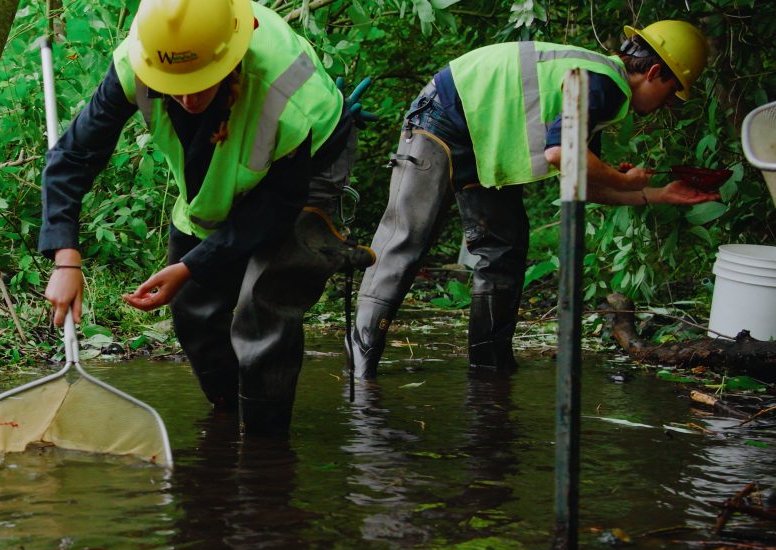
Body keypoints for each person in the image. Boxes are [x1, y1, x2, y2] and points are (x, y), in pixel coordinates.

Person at [39, 0, 373, 437]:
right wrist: (66, 259)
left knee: (264, 303)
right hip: (219, 173)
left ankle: (264, 449)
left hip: (309, 166)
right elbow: (74, 157)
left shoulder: (283, 92)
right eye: (174, 85)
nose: (188, 97)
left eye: (200, 82)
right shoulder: (138, 62)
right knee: (194, 308)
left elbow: (273, 207)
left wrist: (192, 264)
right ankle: (227, 417)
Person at [345, 21, 720, 378]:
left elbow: (582, 183)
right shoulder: (604, 84)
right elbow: (561, 154)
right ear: (654, 72)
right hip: (445, 115)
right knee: (407, 239)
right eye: (672, 92)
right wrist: (624, 177)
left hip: (485, 142)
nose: (668, 103)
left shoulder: (596, 86)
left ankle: (490, 368)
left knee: (504, 248)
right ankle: (360, 366)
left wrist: (660, 195)